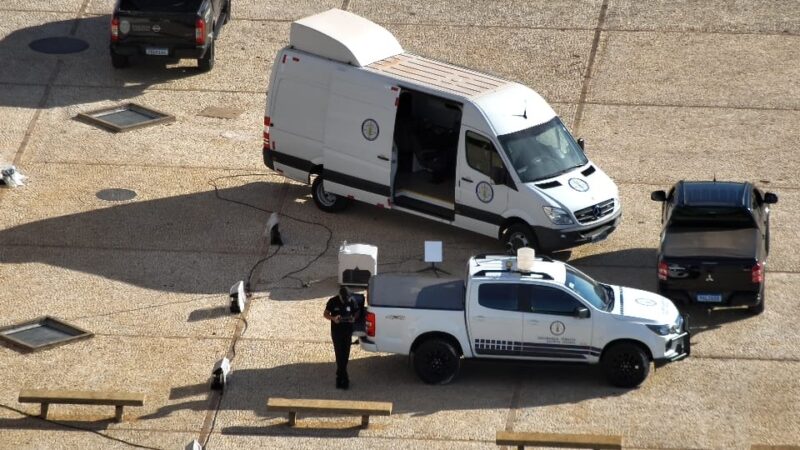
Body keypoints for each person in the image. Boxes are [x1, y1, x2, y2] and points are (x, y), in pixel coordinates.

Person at [324, 286, 359, 389]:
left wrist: (353, 318)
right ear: (340, 296)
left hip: (347, 331)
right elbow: (325, 314)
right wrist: (333, 318)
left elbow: (357, 312)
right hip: (337, 332)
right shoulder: (332, 301)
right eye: (344, 299)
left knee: (346, 355)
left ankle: (340, 375)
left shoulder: (351, 300)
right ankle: (343, 379)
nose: (345, 301)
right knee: (339, 355)